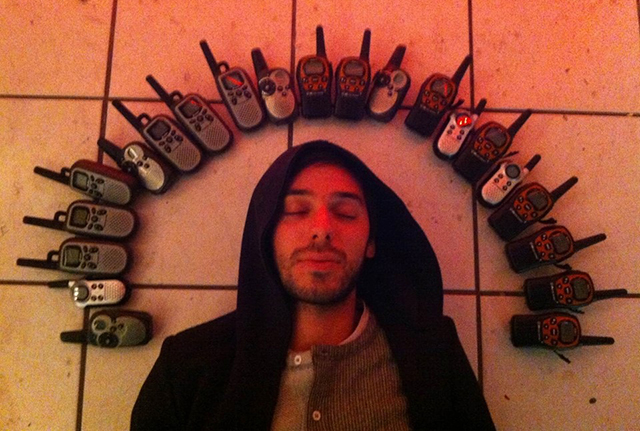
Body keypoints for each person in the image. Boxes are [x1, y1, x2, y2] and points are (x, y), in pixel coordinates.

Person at [130, 140, 495, 430]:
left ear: (371, 242)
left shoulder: (434, 353)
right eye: (296, 211)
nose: (322, 229)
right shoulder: (186, 369)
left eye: (345, 213)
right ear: (267, 235)